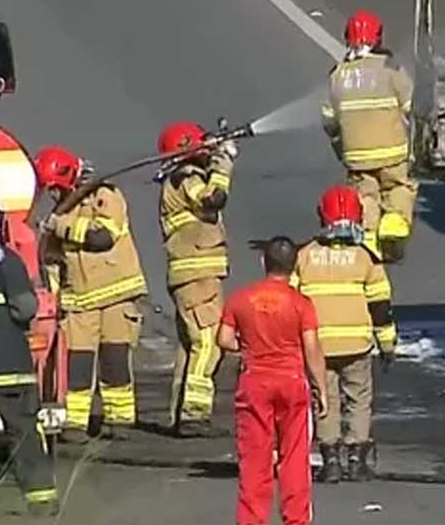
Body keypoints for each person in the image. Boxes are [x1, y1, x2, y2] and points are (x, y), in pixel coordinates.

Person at [34, 146, 148, 441]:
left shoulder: (105, 196)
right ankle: (75, 424)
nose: (54, 194)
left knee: (115, 359)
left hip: (115, 295)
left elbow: (102, 236)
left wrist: (61, 226)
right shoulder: (63, 210)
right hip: (79, 301)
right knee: (79, 364)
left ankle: (120, 421)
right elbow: (52, 260)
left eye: (57, 188)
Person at [219, 236, 329, 525]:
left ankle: (252, 521)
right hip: (291, 382)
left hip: (254, 381)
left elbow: (224, 339)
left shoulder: (240, 299)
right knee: (294, 459)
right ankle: (295, 520)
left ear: (262, 262)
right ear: (294, 267)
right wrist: (322, 390)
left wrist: (246, 347)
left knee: (254, 460)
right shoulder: (301, 304)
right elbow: (312, 349)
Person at [292, 186, 396, 483]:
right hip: (357, 345)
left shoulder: (305, 255)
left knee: (324, 399)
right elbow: (380, 307)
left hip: (318, 345)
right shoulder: (366, 257)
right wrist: (387, 346)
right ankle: (357, 460)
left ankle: (331, 461)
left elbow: (290, 301)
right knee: (359, 399)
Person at [0, 189, 57, 515]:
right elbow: (24, 309)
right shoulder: (7, 260)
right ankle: (41, 499)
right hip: (8, 367)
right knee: (23, 432)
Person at [156, 120, 238, 437]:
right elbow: (212, 199)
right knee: (207, 343)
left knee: (191, 346)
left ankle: (180, 414)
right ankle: (194, 415)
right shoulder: (185, 178)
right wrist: (223, 163)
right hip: (196, 277)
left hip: (196, 276)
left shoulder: (179, 179)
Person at [321, 9, 417, 264]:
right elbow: (412, 108)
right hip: (393, 152)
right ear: (378, 38)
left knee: (365, 196)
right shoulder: (391, 68)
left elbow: (329, 122)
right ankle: (394, 222)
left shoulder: (338, 74)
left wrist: (342, 150)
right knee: (398, 188)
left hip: (356, 156)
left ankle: (371, 238)